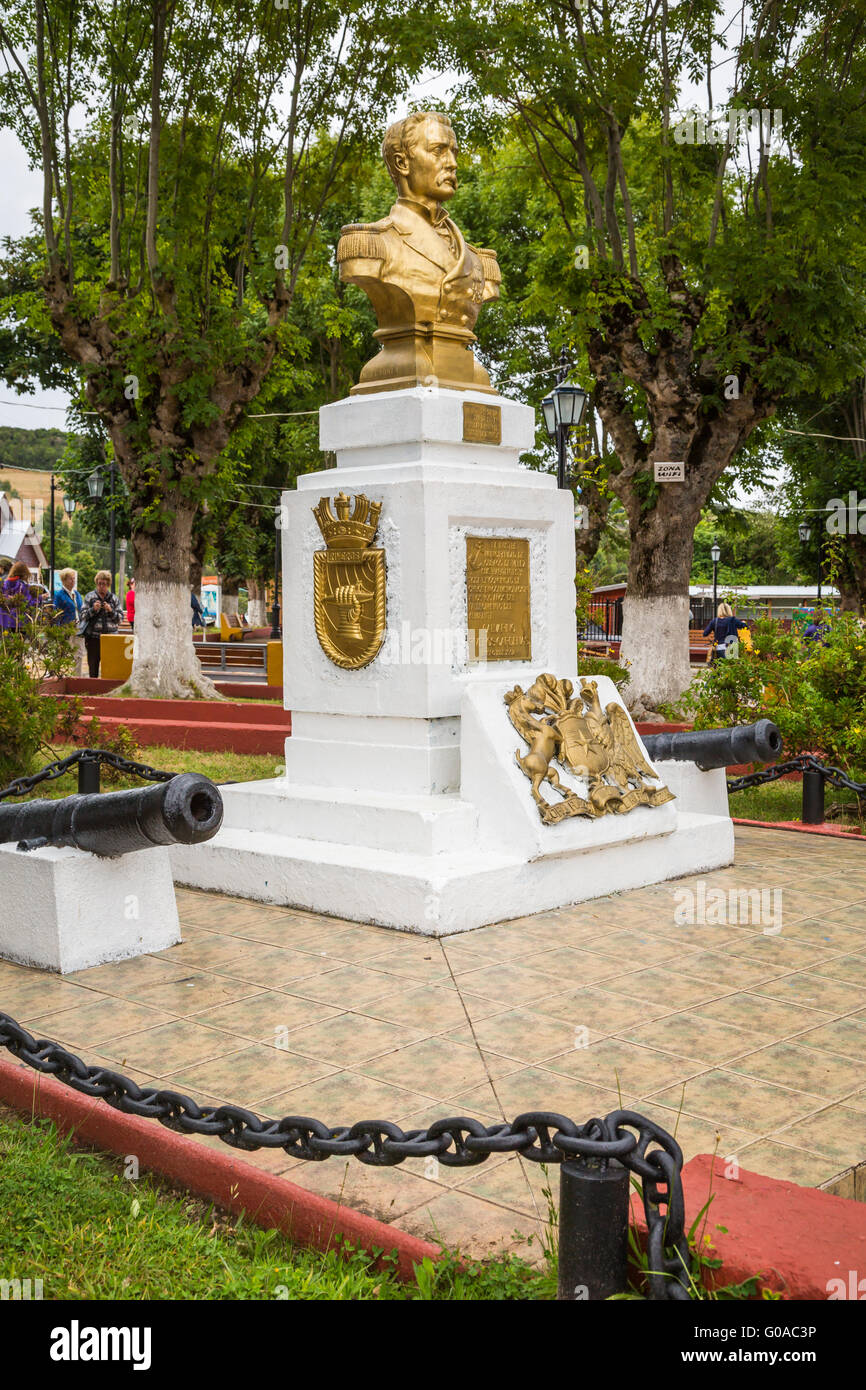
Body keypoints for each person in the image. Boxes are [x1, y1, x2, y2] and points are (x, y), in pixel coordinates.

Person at [80, 570, 122, 677]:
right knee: (93, 667)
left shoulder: (114, 599)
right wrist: (93, 609)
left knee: (110, 668)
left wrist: (110, 610)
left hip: (111, 638)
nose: (101, 586)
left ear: (108, 584)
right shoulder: (90, 597)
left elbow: (120, 619)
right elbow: (82, 616)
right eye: (99, 583)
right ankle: (92, 689)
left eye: (103, 584)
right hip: (93, 638)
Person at [53, 568, 85, 676]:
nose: (73, 581)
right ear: (64, 580)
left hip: (78, 628)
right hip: (65, 628)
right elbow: (55, 613)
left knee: (79, 654)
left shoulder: (77, 594)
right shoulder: (59, 595)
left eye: (74, 578)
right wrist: (57, 629)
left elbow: (81, 610)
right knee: (62, 653)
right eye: (71, 579)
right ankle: (55, 674)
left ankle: (77, 678)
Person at [0, 560, 36, 632]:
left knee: (6, 642)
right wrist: (39, 598)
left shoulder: (3, 583)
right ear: (25, 573)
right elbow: (28, 603)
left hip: (4, 621)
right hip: (19, 621)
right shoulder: (24, 586)